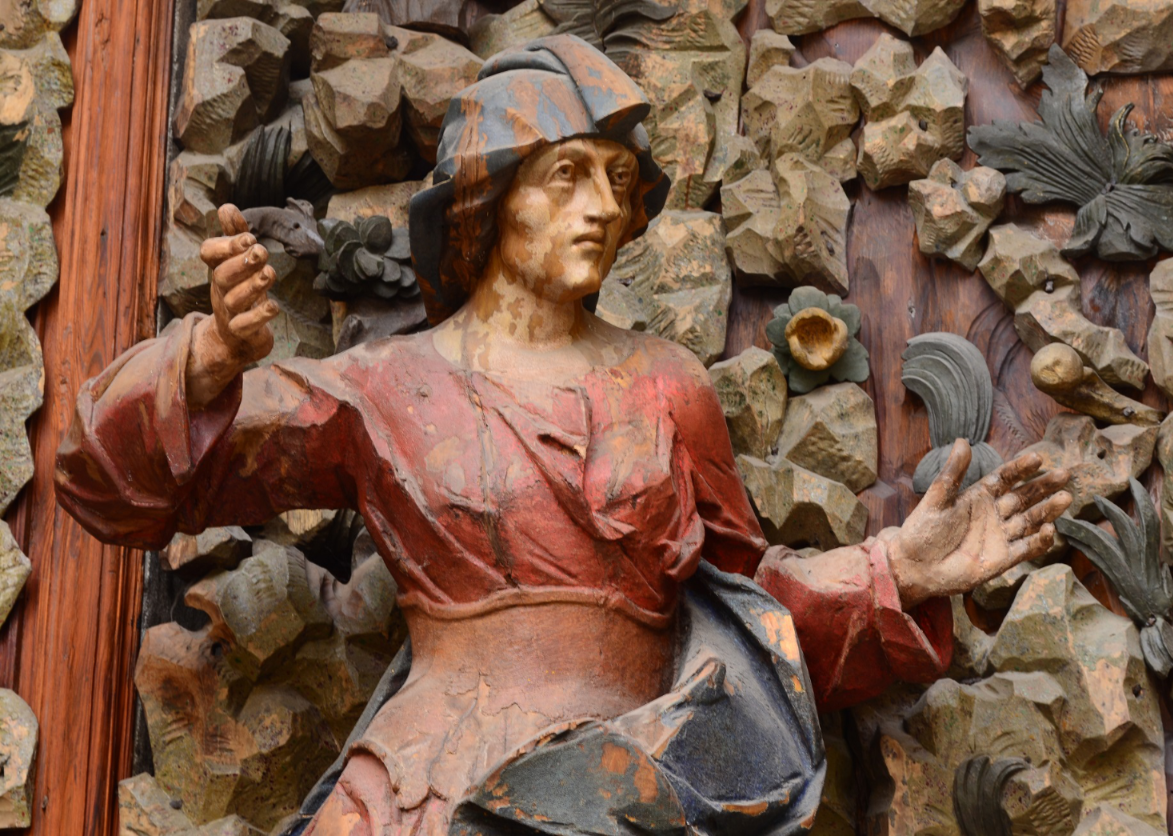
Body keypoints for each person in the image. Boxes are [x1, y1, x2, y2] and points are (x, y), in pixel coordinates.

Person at [56, 35, 1070, 836]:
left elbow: (744, 607)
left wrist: (894, 568)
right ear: (487, 198)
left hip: (630, 783)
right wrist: (206, 365)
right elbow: (118, 485)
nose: (602, 208)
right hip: (426, 789)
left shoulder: (666, 386)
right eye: (567, 174)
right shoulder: (385, 385)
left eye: (619, 184)